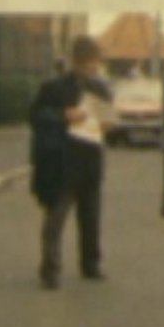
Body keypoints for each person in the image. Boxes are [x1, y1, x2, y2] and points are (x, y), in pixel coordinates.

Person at [29, 35, 112, 289]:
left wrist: (108, 124)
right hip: (62, 161)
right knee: (56, 217)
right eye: (89, 64)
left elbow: (107, 117)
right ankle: (50, 269)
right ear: (77, 62)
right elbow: (35, 115)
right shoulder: (54, 88)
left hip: (89, 159)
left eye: (95, 64)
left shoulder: (100, 88)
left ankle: (90, 264)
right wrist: (64, 115)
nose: (94, 69)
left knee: (91, 216)